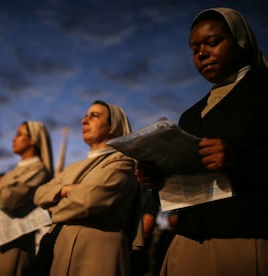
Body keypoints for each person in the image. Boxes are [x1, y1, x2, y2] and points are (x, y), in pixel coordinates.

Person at [135, 7, 268, 276]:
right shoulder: (191, 114)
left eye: (212, 42)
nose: (202, 54)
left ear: (241, 41)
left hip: (241, 243)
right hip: (185, 243)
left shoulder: (263, 90)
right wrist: (156, 179)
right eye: (194, 48)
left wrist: (237, 159)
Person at [33, 100, 141, 276]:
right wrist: (65, 190)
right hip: (58, 250)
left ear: (113, 127)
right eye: (85, 116)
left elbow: (88, 201)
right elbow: (38, 195)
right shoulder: (72, 167)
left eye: (94, 116)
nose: (84, 120)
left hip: (93, 256)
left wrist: (52, 208)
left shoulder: (122, 162)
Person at [0, 121, 54, 276]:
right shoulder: (13, 172)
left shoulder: (39, 171)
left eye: (19, 134)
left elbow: (10, 198)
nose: (14, 139)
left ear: (32, 140)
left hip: (12, 244)